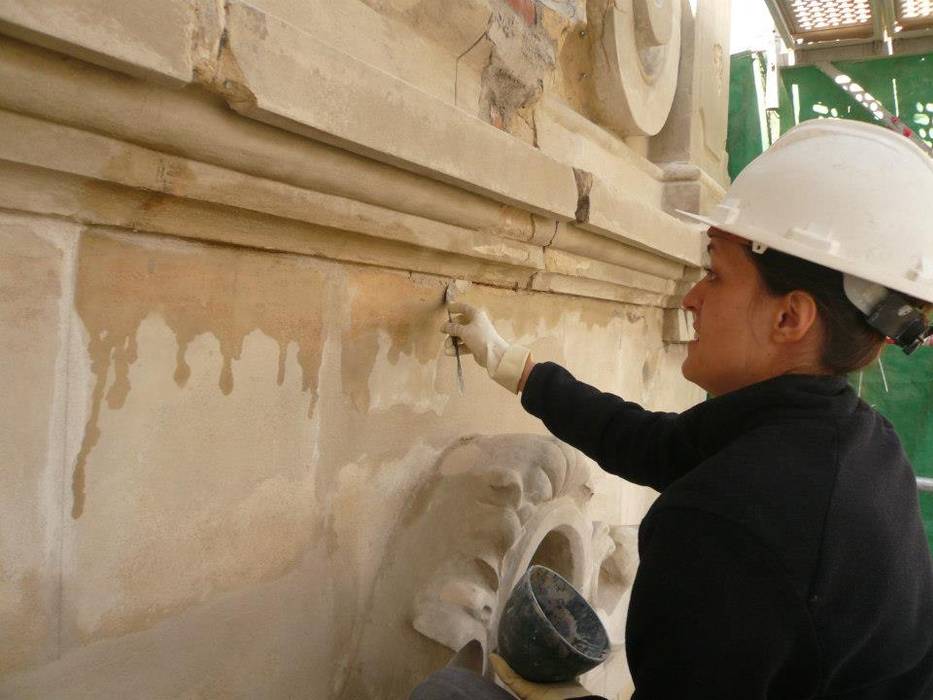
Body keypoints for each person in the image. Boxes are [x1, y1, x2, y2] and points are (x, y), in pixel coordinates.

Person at [441, 119, 933, 699]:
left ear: (789, 318)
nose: (691, 299)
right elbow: (660, 445)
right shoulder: (853, 441)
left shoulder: (727, 523)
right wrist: (517, 370)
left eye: (716, 275)